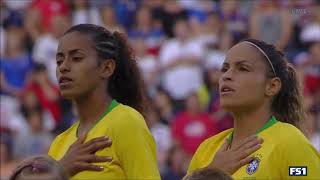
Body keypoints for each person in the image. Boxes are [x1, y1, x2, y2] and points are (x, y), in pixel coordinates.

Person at [187, 39, 320, 179]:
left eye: (243, 68)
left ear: (272, 86)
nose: (226, 76)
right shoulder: (206, 149)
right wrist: (212, 171)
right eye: (224, 69)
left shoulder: (290, 142)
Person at [48, 24, 160, 179]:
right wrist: (61, 170)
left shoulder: (126, 122)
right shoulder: (58, 144)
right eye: (59, 61)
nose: (63, 67)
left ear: (106, 68)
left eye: (76, 58)